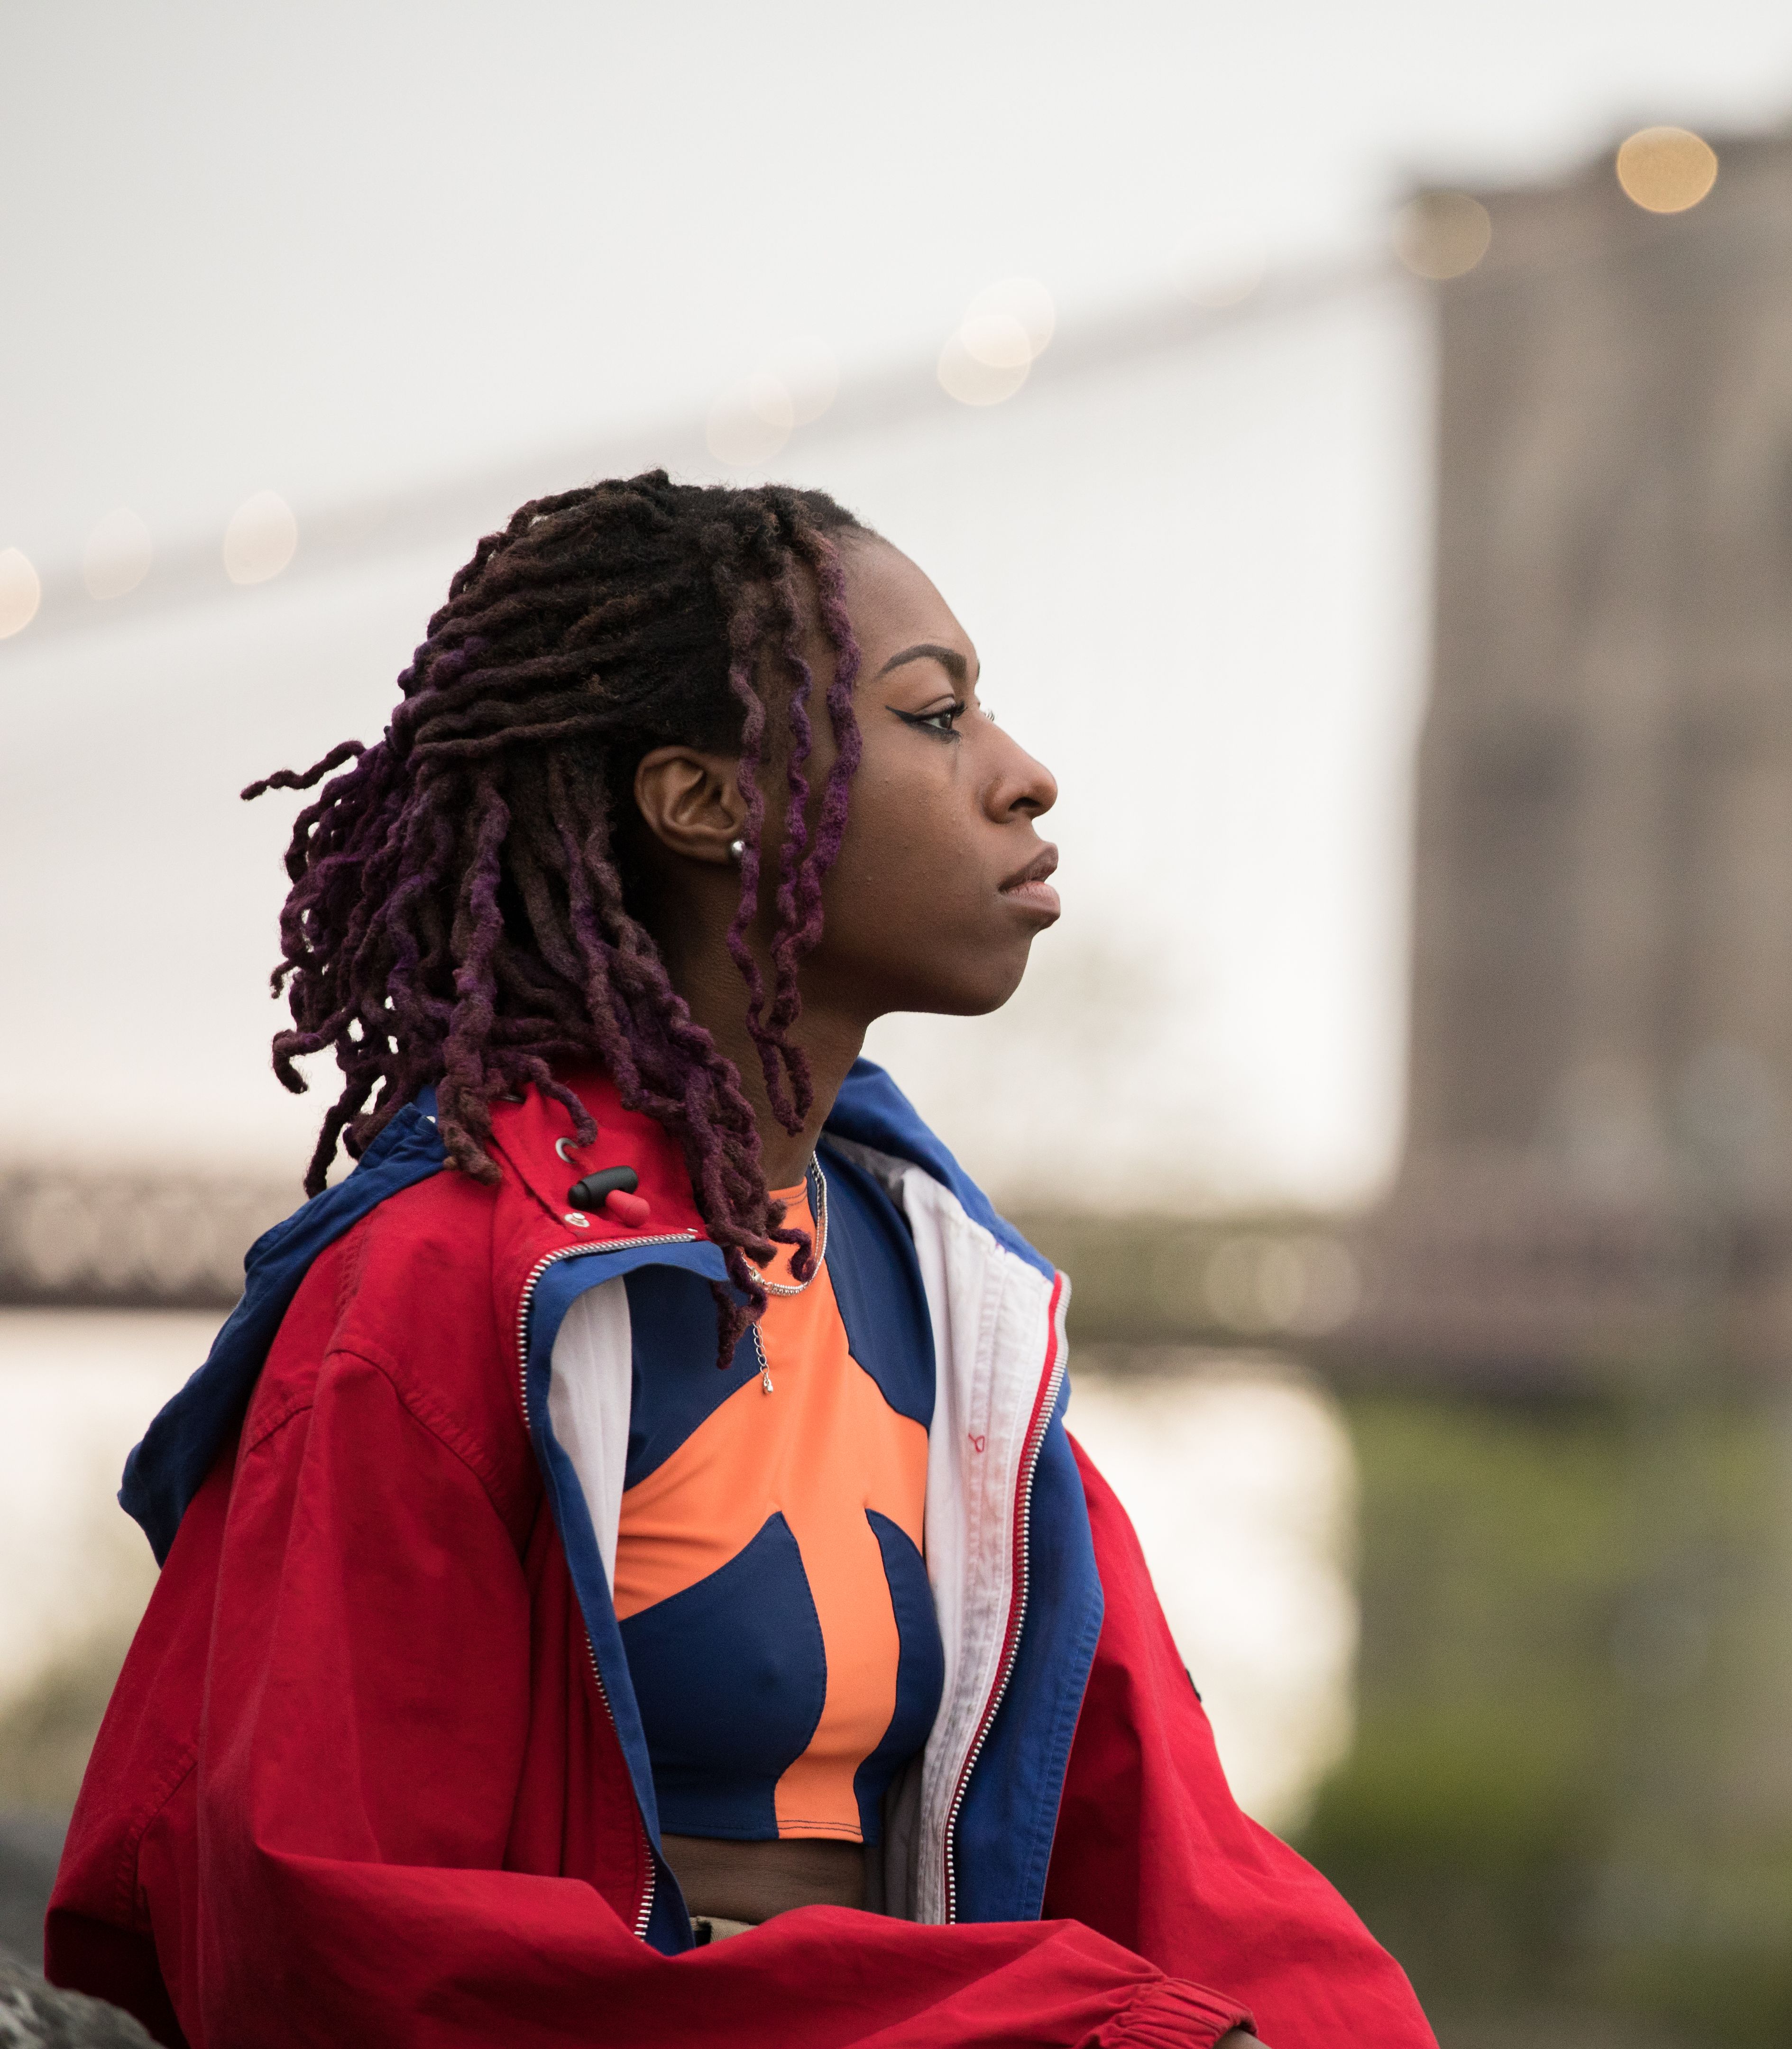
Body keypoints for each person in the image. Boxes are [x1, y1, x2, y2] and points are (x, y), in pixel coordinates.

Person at [45, 474, 1434, 2049]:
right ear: (708, 806)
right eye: (936, 717)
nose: (1027, 777)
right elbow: (327, 1939)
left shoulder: (945, 1307)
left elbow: (1177, 1860)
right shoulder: (440, 1294)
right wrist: (1029, 2026)